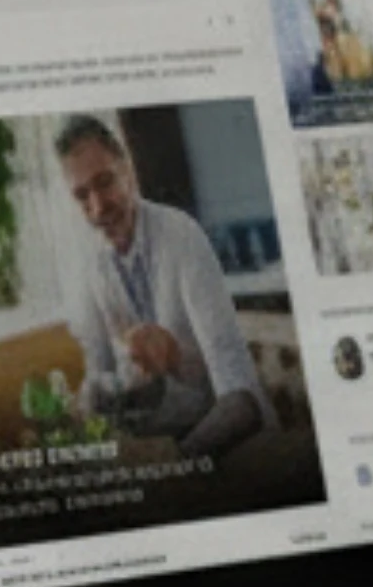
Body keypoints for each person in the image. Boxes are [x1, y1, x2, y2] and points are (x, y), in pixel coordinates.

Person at [54, 114, 265, 463]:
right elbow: (103, 370)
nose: (97, 207)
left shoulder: (182, 236)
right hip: (165, 445)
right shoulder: (92, 263)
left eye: (105, 182)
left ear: (129, 171)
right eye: (81, 196)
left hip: (234, 448)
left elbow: (240, 392)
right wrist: (94, 395)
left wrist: (179, 461)